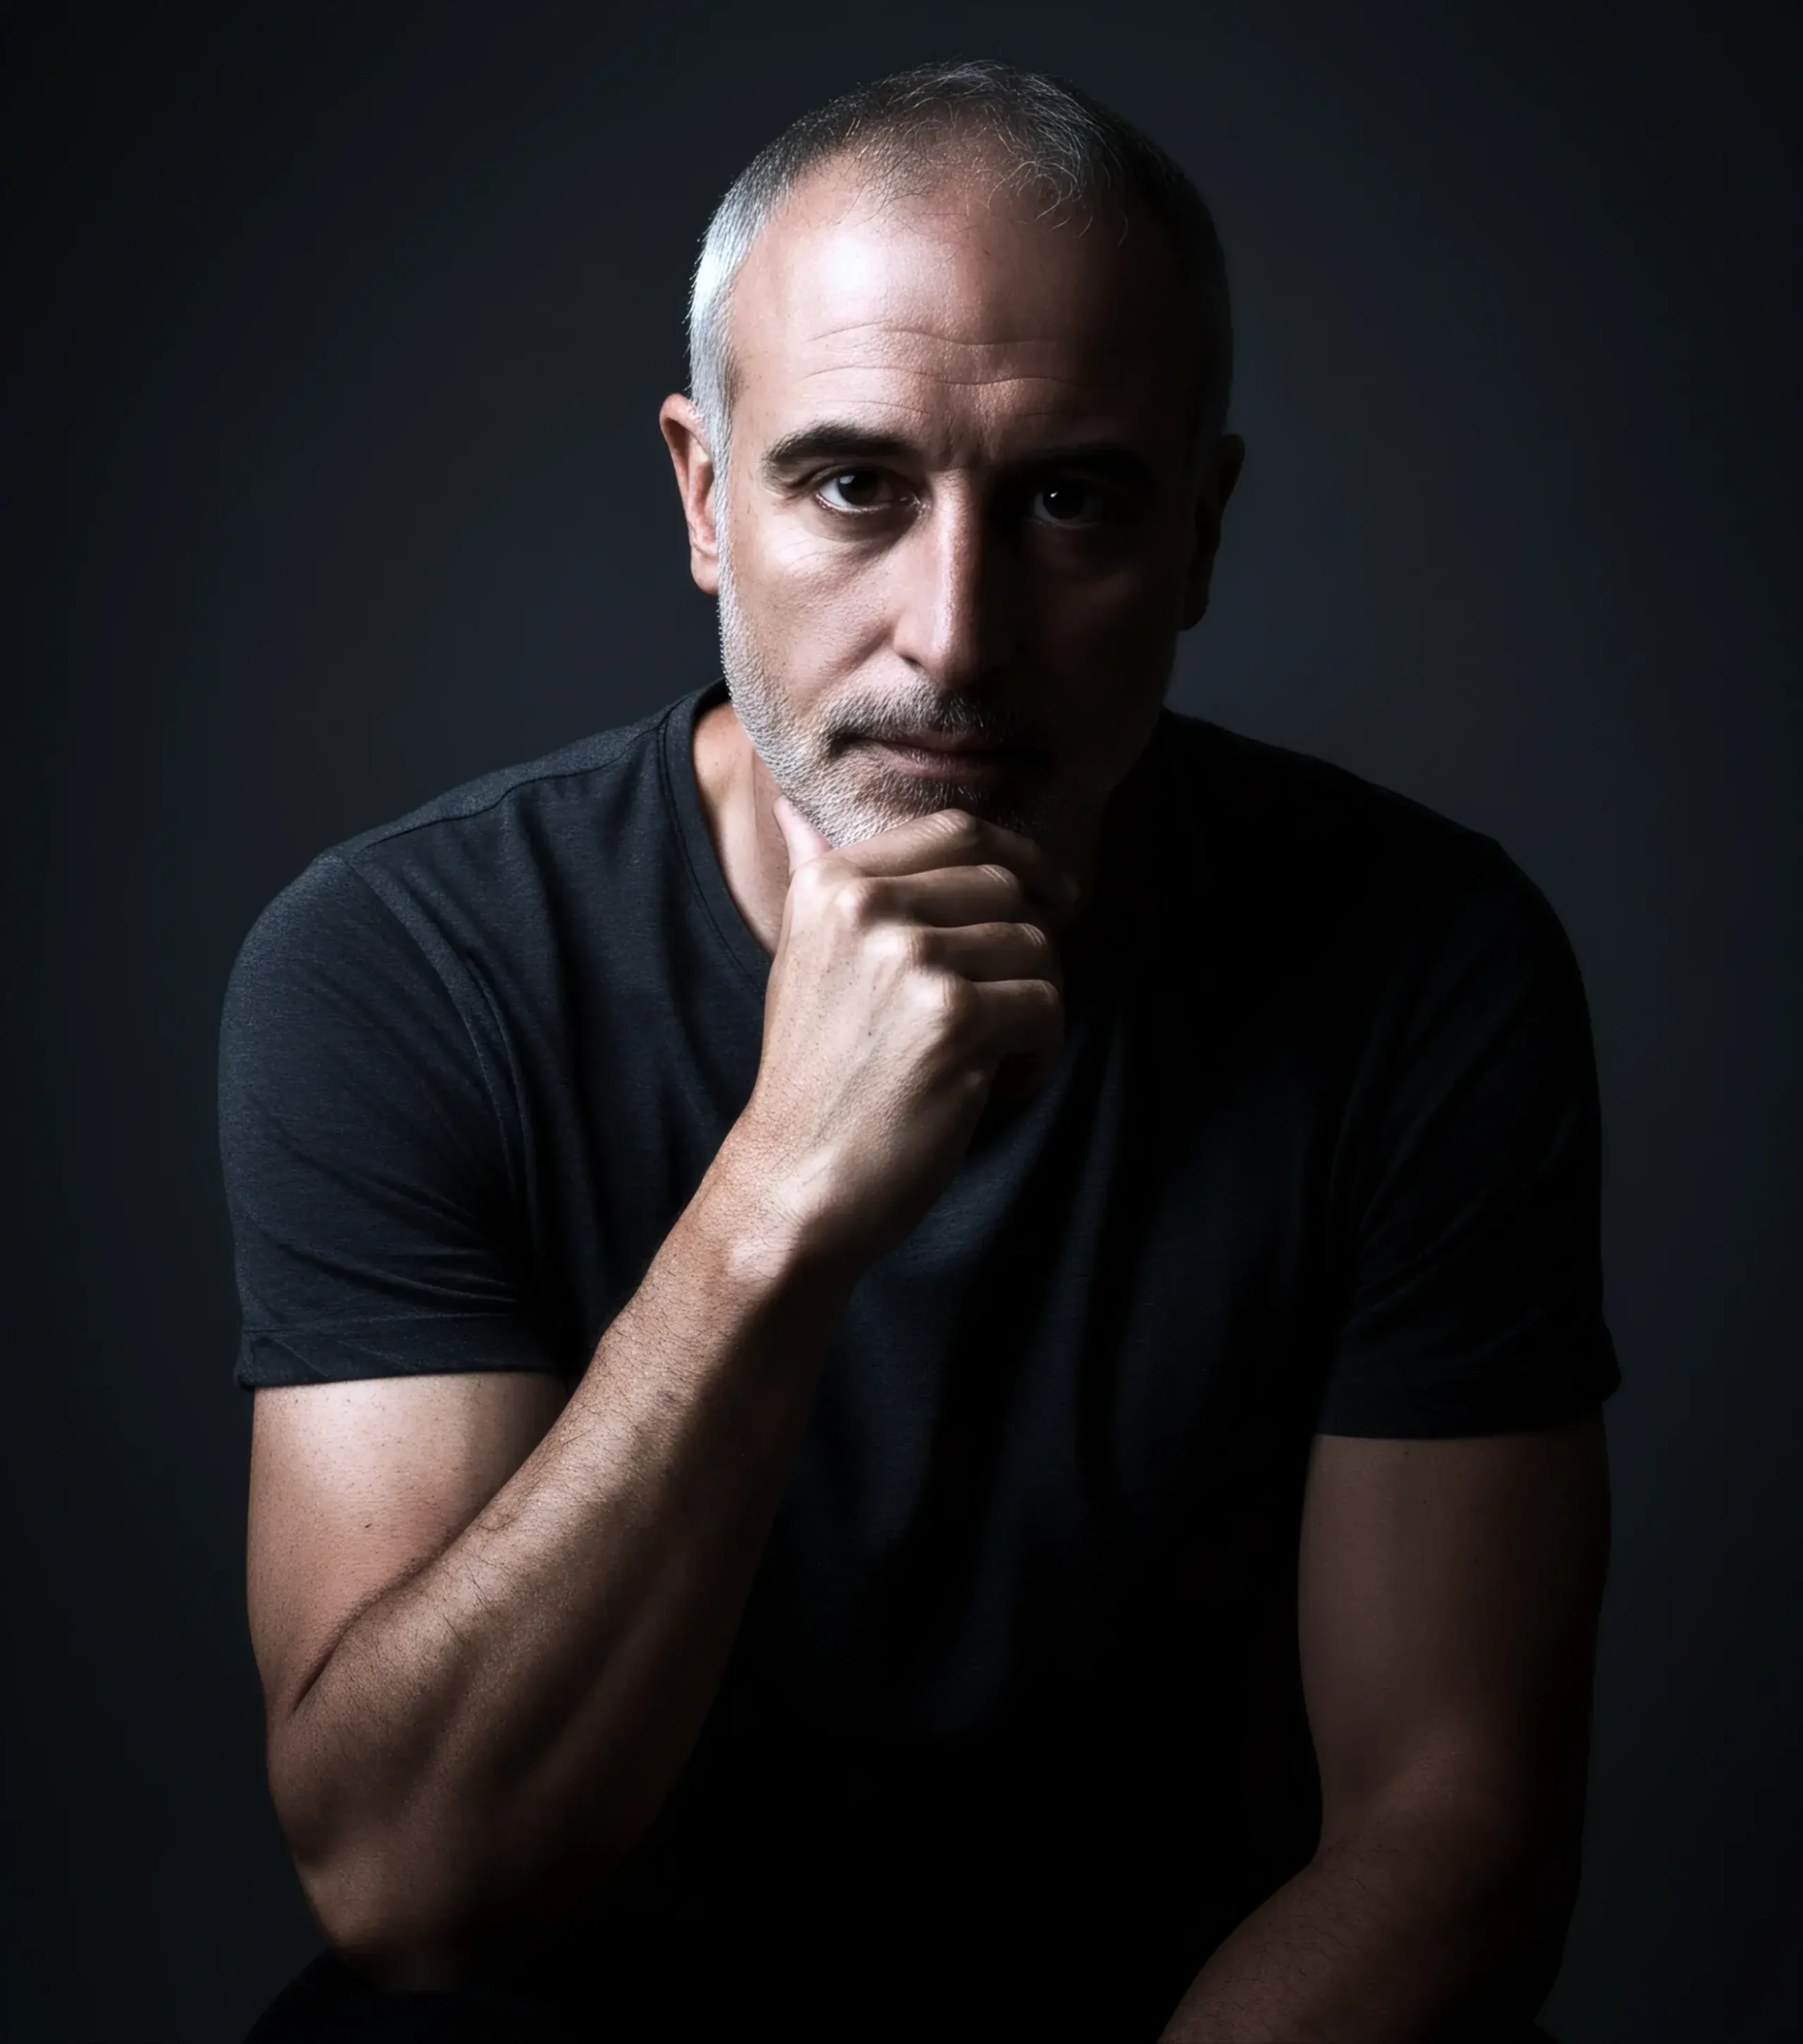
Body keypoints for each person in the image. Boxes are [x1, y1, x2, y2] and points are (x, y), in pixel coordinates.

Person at [226, 59, 1617, 2044]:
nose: (957, 637)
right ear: (707, 498)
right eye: (854, 487)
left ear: (1202, 532)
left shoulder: (1426, 969)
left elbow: (1451, 1835)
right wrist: (777, 1200)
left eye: (1070, 500)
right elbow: (409, 1881)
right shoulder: (403, 968)